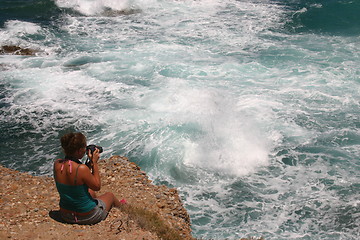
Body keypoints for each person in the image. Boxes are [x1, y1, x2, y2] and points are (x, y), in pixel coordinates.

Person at [53, 132, 125, 224]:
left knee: (90, 191)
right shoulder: (81, 169)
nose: (85, 150)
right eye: (84, 148)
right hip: (87, 216)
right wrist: (94, 163)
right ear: (79, 151)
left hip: (65, 214)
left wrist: (89, 164)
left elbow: (78, 176)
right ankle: (125, 209)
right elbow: (97, 186)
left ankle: (94, 202)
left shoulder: (57, 164)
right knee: (110, 195)